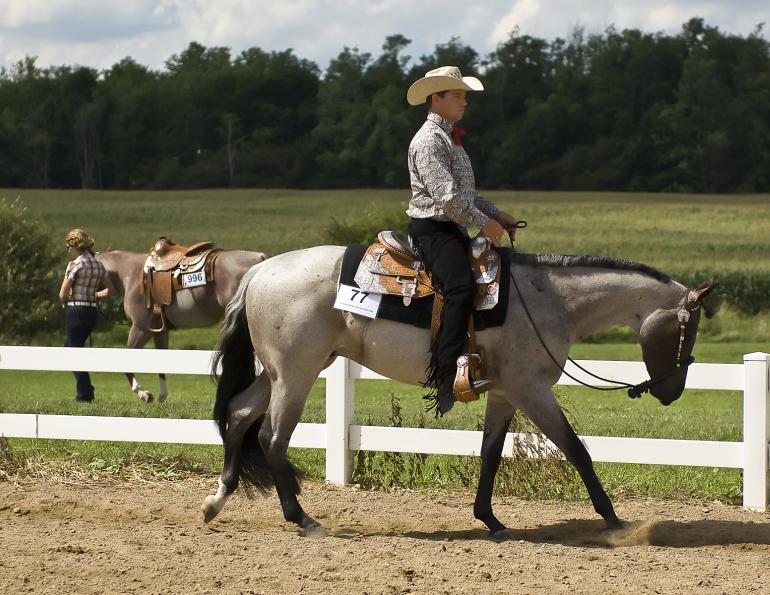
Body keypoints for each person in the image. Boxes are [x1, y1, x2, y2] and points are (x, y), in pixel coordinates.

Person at [405, 66, 521, 415]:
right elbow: (448, 201)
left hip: (451, 228)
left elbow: (465, 195)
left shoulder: (448, 138)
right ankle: (444, 378)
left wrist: (497, 214)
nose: (464, 102)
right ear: (436, 98)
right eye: (458, 95)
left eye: (464, 96)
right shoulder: (428, 141)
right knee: (460, 288)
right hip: (433, 230)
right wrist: (486, 225)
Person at [58, 228, 116, 402]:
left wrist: (70, 295)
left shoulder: (75, 265)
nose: (68, 250)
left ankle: (85, 394)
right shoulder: (98, 265)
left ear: (76, 246)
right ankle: (85, 388)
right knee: (74, 349)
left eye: (69, 246)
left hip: (76, 311)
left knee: (71, 352)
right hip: (91, 311)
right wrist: (95, 295)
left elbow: (62, 294)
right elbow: (111, 290)